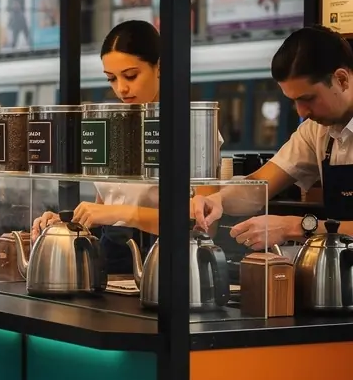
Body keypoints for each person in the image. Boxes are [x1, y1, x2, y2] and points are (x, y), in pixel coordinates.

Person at [31, 19, 218, 271]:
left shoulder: (193, 126)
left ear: (160, 66)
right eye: (111, 79)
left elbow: (204, 220)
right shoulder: (112, 123)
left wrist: (124, 213)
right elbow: (104, 206)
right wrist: (65, 221)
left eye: (131, 75)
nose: (122, 88)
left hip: (165, 260)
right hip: (110, 257)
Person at [196, 27, 353, 247]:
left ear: (341, 79)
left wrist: (292, 227)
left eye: (308, 99)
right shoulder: (316, 131)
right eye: (294, 102)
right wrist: (217, 200)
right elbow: (259, 186)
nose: (301, 112)